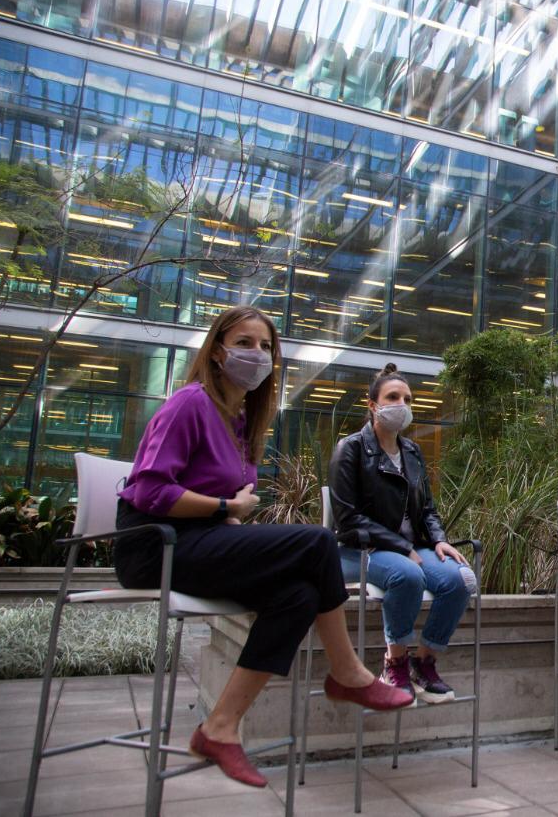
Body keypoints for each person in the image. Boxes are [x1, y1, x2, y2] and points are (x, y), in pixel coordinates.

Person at [114, 306, 414, 789]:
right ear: (216, 351)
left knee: (298, 594)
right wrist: (222, 507)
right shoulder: (191, 404)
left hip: (203, 541)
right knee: (317, 542)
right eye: (245, 343)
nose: (257, 355)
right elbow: (150, 492)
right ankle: (347, 672)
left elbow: (234, 506)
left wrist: (228, 512)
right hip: (154, 544)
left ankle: (220, 727)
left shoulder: (241, 422)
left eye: (266, 347)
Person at [328, 364, 475, 704]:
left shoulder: (411, 451)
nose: (402, 404)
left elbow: (426, 508)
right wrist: (399, 546)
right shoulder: (350, 449)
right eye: (393, 397)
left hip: (411, 547)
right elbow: (347, 519)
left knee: (461, 579)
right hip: (361, 550)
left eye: (407, 399)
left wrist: (438, 539)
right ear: (372, 404)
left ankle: (423, 663)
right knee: (407, 575)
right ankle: (394, 663)